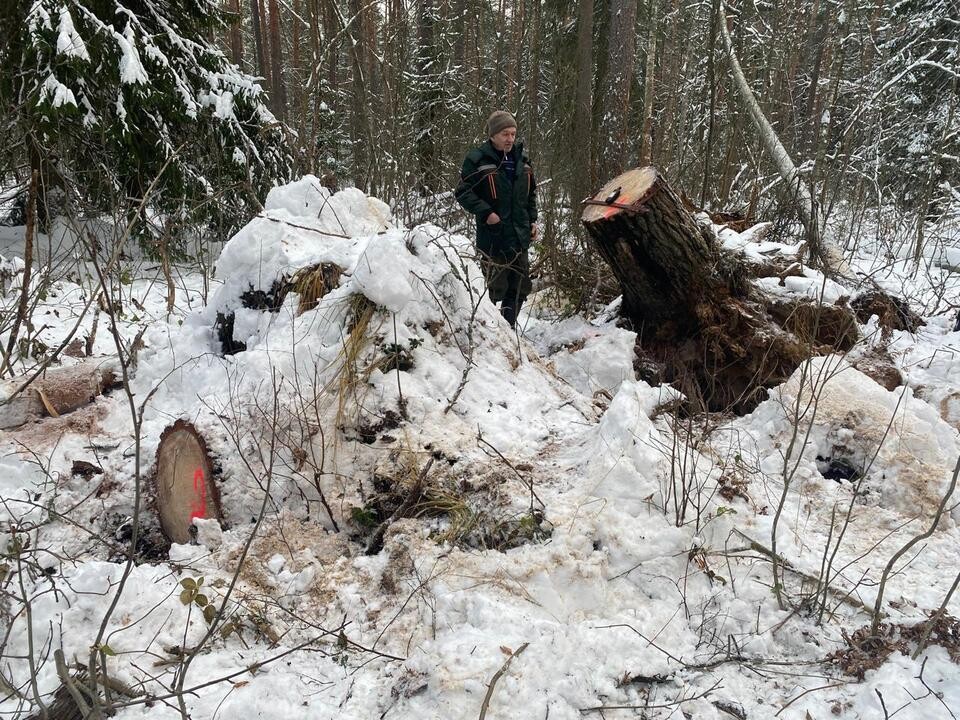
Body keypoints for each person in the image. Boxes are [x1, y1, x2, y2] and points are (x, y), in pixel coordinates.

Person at [455, 111, 538, 328]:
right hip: (493, 237)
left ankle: (508, 330)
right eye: (504, 134)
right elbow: (463, 192)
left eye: (513, 134)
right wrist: (487, 213)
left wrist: (533, 220)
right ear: (493, 135)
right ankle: (489, 331)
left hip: (520, 236)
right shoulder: (478, 160)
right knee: (493, 287)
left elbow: (530, 195)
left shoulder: (523, 162)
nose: (510, 139)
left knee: (519, 287)